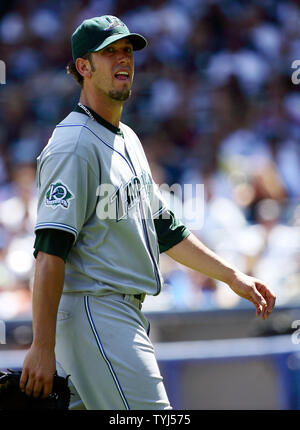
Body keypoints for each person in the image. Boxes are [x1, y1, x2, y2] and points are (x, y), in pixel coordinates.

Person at [19, 15, 276, 410]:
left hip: (116, 315)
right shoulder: (73, 144)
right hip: (96, 311)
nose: (123, 59)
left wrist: (231, 276)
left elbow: (165, 229)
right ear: (83, 67)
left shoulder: (127, 139)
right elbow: (50, 251)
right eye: (109, 53)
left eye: (127, 51)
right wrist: (41, 345)